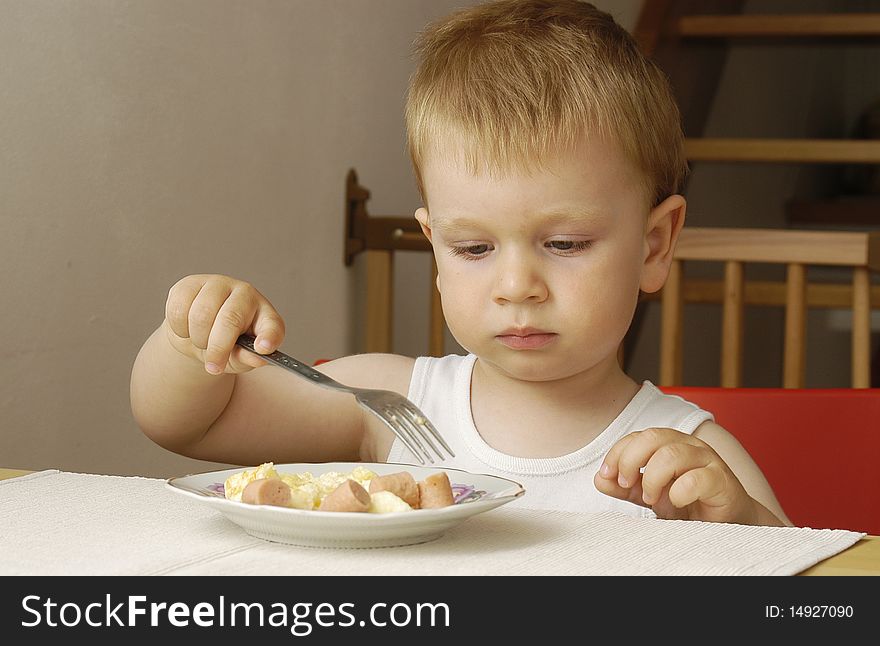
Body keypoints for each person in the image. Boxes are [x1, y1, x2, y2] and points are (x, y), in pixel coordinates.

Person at [131, 0, 790, 526]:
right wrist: (192, 339)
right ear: (435, 245)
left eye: (564, 244)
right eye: (473, 248)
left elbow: (814, 604)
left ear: (653, 246)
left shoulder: (690, 451)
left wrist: (740, 522)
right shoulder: (388, 407)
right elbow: (190, 423)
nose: (516, 287)